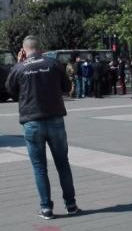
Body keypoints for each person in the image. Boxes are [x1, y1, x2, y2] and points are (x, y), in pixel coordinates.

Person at [5, 35, 80, 220]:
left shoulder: (19, 67)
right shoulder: (53, 64)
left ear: (23, 50)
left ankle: (46, 208)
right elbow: (67, 86)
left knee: (39, 168)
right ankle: (71, 205)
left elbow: (10, 89)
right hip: (55, 120)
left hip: (32, 122)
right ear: (40, 48)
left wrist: (18, 63)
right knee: (63, 164)